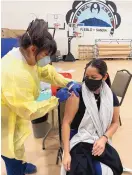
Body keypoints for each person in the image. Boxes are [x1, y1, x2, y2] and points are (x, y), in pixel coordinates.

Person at [1, 18, 81, 175]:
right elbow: (29, 111)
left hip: (15, 114)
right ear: (32, 48)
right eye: (45, 54)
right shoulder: (15, 73)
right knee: (10, 150)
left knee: (19, 145)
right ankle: (17, 169)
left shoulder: (25, 57)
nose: (47, 59)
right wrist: (56, 99)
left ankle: (22, 165)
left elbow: (46, 71)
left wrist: (67, 82)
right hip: (4, 121)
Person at [60, 59, 123, 175]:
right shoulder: (77, 94)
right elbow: (66, 123)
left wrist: (104, 139)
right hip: (80, 139)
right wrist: (66, 153)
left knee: (117, 166)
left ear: (104, 77)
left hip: (100, 138)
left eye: (93, 77)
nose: (89, 80)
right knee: (80, 171)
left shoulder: (110, 96)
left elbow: (115, 123)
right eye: (86, 76)